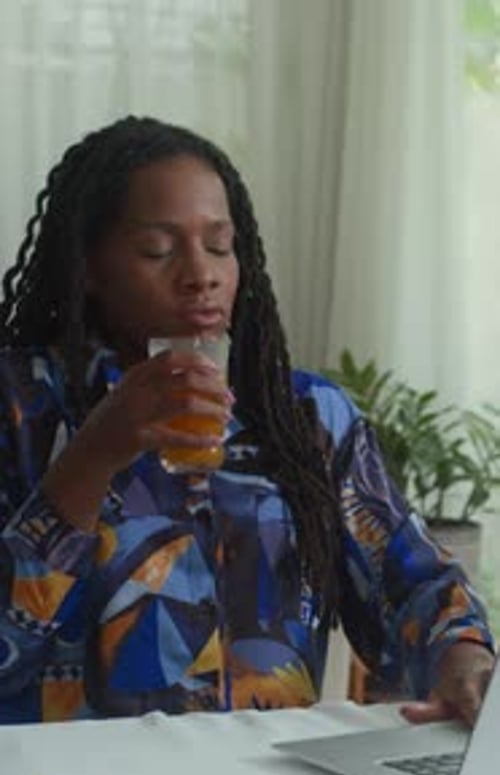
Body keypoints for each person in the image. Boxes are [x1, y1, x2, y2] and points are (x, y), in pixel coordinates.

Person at [0, 116, 494, 725]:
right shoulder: (21, 407)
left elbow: (406, 580)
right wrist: (94, 455)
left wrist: (462, 655)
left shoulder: (304, 416)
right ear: (89, 267)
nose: (201, 275)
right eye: (158, 249)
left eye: (219, 246)